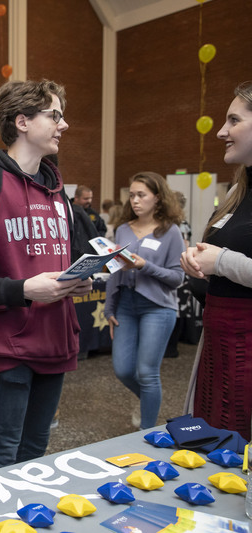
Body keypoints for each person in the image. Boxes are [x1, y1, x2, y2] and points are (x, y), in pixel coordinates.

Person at [0, 79, 91, 474]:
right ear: (23, 122)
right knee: (0, 450)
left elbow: (58, 258)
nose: (63, 125)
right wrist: (25, 290)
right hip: (9, 346)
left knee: (34, 449)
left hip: (56, 340)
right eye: (55, 115)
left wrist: (73, 280)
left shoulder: (59, 192)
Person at [182, 81, 252, 441]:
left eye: (234, 120)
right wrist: (197, 263)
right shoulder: (237, 193)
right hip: (219, 347)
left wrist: (221, 261)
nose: (222, 131)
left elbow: (229, 261)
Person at [104, 172, 184, 429]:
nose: (135, 201)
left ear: (157, 198)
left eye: (142, 195)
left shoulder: (170, 232)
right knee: (123, 370)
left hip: (158, 308)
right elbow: (116, 270)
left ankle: (147, 432)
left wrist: (144, 265)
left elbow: (177, 278)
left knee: (147, 373)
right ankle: (149, 401)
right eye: (132, 195)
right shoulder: (123, 229)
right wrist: (109, 307)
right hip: (125, 305)